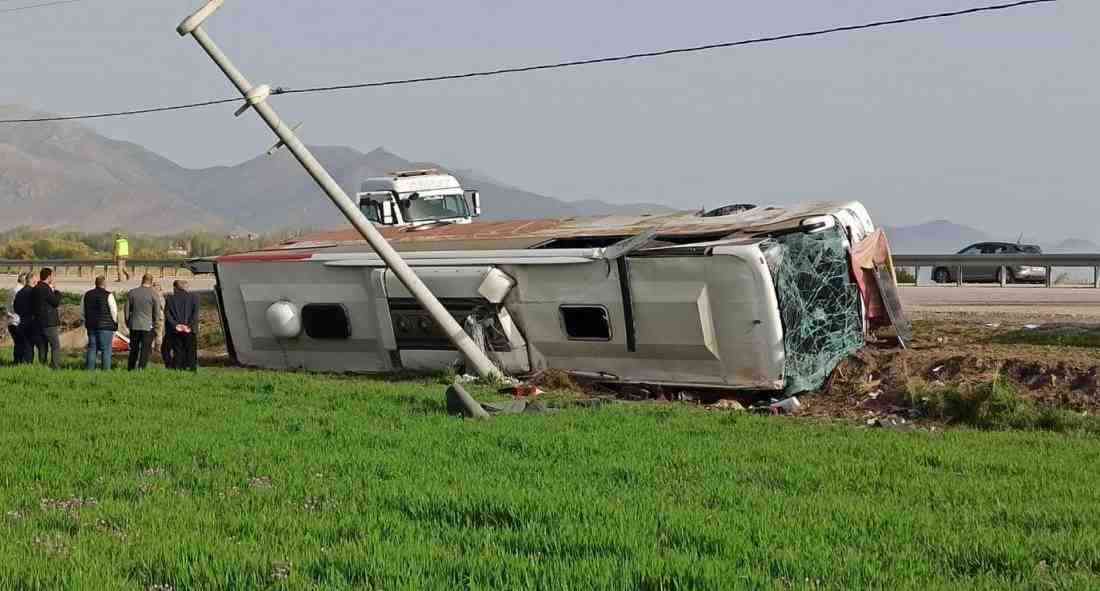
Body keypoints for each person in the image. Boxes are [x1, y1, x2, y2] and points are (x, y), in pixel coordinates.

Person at [81, 276, 118, 371]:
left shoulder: (87, 294)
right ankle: (105, 371)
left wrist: (86, 320)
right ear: (104, 284)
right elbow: (114, 311)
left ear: (95, 283)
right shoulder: (109, 295)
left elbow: (82, 311)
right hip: (106, 327)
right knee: (106, 349)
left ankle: (89, 370)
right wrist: (114, 323)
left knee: (92, 348)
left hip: (91, 325)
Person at [126, 274, 162, 370]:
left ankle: (130, 367)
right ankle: (141, 368)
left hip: (134, 325)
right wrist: (155, 325)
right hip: (148, 326)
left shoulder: (132, 292)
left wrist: (128, 322)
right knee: (145, 349)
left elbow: (127, 310)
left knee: (134, 348)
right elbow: (157, 312)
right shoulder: (154, 294)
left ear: (142, 280)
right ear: (151, 281)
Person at [29, 267, 62, 369]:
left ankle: (42, 365)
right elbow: (55, 302)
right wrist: (56, 291)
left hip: (38, 321)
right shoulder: (46, 288)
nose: (53, 277)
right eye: (52, 275)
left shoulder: (35, 288)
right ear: (49, 276)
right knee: (55, 345)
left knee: (43, 346)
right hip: (49, 322)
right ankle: (55, 366)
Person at [164, 279, 199, 371]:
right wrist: (189, 326)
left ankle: (178, 368)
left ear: (175, 288)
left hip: (176, 330)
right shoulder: (194, 297)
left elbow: (167, 314)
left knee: (178, 351)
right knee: (191, 351)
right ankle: (192, 369)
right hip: (190, 330)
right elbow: (195, 314)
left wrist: (176, 325)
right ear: (185, 287)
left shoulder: (170, 299)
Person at [11, 272, 35, 364]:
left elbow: (15, 307)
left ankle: (17, 363)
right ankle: (26, 363)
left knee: (20, 344)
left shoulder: (18, 291)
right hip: (27, 320)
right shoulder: (27, 291)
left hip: (20, 320)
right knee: (28, 345)